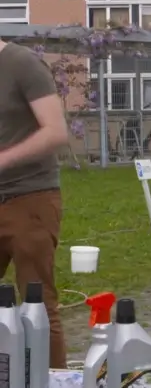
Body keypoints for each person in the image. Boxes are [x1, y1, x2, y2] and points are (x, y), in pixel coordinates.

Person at [0, 39, 69, 367]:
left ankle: (51, 379)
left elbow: (55, 132)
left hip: (30, 199)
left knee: (37, 305)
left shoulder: (21, 63)